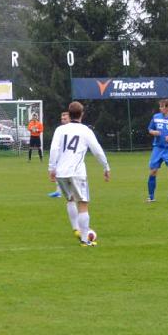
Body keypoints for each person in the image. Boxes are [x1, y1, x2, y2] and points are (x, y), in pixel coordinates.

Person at [48, 101, 110, 247]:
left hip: (61, 172)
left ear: (69, 114)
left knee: (70, 200)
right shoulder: (85, 131)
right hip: (77, 172)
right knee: (83, 204)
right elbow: (97, 150)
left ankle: (76, 228)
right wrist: (106, 167)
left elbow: (53, 149)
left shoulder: (60, 130)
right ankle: (84, 239)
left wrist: (51, 168)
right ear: (82, 114)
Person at [47, 111, 71, 198]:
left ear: (70, 119)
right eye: (62, 119)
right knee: (59, 172)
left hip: (69, 156)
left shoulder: (68, 130)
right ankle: (58, 192)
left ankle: (64, 192)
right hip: (60, 155)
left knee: (63, 173)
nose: (63, 120)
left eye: (65, 119)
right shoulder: (60, 129)